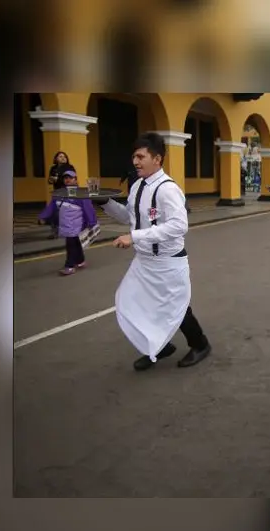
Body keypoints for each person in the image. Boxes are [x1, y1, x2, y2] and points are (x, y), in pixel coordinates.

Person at [92, 132, 212, 372]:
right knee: (135, 302)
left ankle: (200, 344)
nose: (135, 162)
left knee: (175, 307)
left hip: (168, 261)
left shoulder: (168, 189)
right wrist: (104, 202)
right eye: (134, 156)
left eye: (140, 156)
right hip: (145, 261)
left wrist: (134, 237)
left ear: (157, 159)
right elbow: (130, 216)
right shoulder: (138, 186)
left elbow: (179, 226)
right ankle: (158, 346)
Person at [37, 170, 98, 275]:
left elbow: (88, 208)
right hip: (66, 223)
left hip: (77, 224)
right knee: (75, 243)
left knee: (70, 244)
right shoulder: (60, 193)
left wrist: (92, 221)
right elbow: (52, 206)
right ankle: (80, 261)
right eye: (66, 178)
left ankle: (69, 266)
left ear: (75, 179)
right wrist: (43, 217)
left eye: (70, 178)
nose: (68, 180)